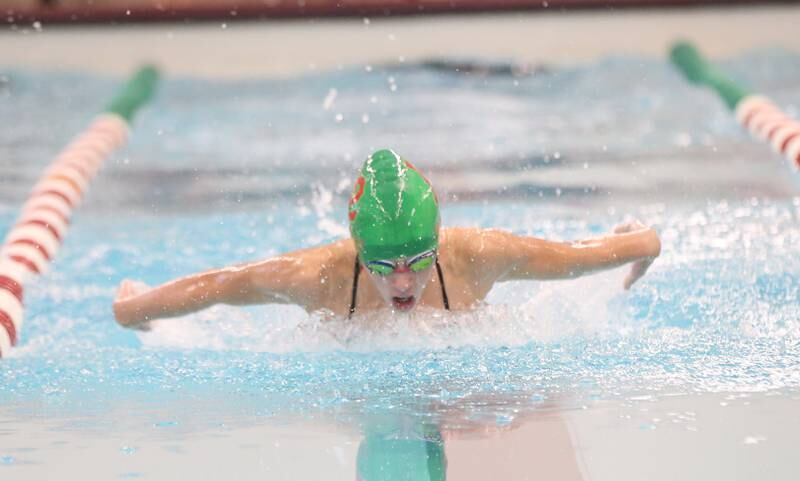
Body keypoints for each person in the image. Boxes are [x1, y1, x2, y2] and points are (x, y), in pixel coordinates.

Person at [113, 149, 661, 329]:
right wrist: (135, 310)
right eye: (385, 265)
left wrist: (634, 249)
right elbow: (224, 285)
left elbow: (577, 258)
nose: (403, 281)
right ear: (357, 253)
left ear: (438, 244)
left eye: (419, 260)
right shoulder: (318, 277)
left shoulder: (476, 256)